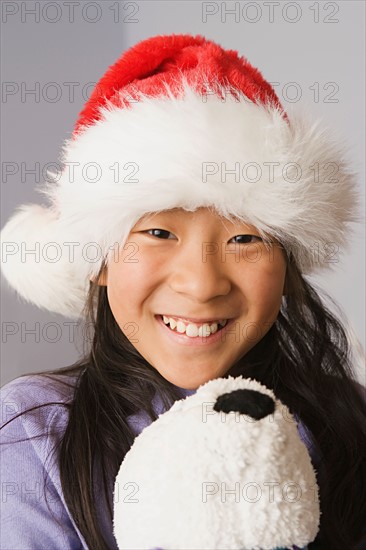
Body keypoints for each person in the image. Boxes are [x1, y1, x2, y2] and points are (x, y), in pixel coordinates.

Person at [0, 33, 365, 550]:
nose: (201, 284)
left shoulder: (346, 420)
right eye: (158, 233)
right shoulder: (32, 436)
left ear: (287, 264)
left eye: (245, 239)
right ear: (98, 257)